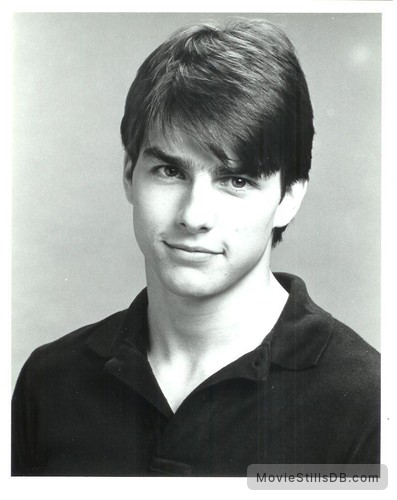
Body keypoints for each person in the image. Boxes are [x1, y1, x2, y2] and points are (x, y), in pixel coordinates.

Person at [12, 18, 380, 477]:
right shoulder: (50, 382)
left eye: (236, 180)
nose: (193, 215)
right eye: (170, 171)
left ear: (289, 198)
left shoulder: (370, 403)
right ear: (129, 174)